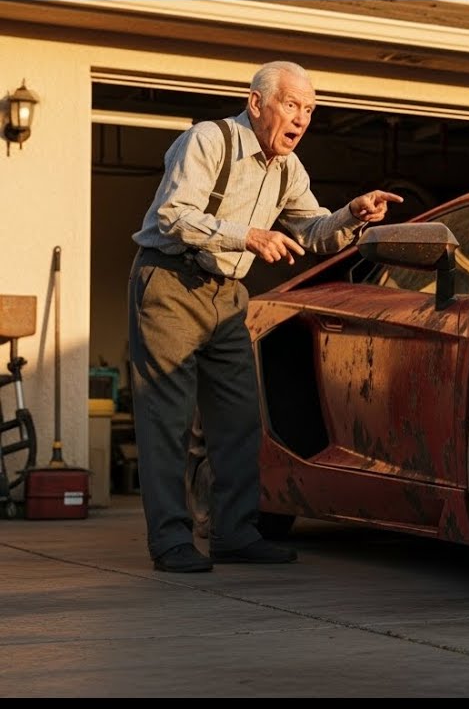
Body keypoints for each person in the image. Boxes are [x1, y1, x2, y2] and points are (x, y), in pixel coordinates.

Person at [129, 60, 403, 573]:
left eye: (309, 110)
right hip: (169, 280)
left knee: (238, 419)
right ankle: (170, 540)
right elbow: (172, 214)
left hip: (228, 292)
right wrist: (248, 235)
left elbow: (313, 230)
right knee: (165, 418)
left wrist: (352, 214)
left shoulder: (288, 168)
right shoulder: (208, 141)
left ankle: (234, 533)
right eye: (292, 105)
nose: (301, 118)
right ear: (257, 103)